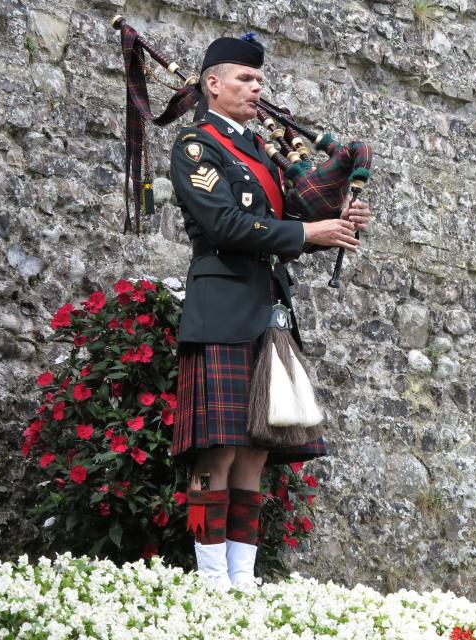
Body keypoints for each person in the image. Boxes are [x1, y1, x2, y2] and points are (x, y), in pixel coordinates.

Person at [169, 34, 372, 589]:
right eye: (245, 79)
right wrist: (309, 231)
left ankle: (243, 583)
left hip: (267, 309)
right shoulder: (195, 146)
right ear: (213, 83)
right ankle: (211, 584)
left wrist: (338, 217)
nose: (257, 89)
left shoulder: (262, 150)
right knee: (219, 451)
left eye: (260, 81)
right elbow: (224, 225)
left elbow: (296, 217)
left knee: (257, 451)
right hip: (222, 304)